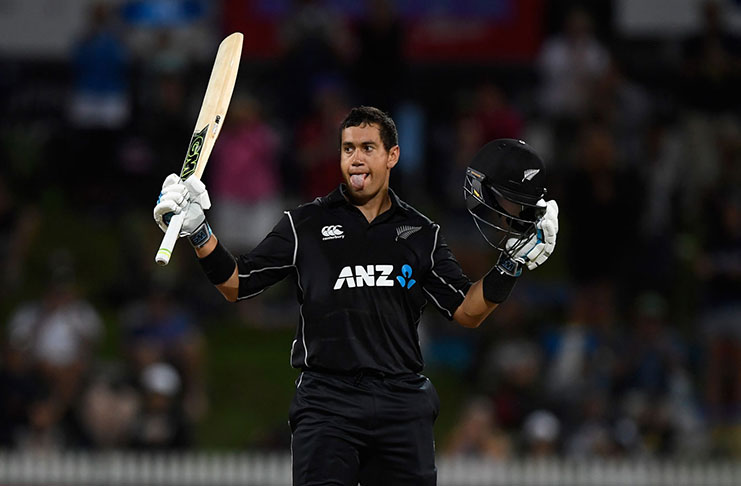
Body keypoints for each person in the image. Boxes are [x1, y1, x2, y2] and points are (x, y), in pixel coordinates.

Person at [153, 107, 559, 485]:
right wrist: (199, 232)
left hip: (402, 402)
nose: (356, 158)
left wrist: (510, 266)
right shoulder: (304, 225)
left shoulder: (421, 234)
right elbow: (237, 284)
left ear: (392, 155)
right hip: (327, 403)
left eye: (368, 148)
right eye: (349, 148)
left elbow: (468, 311)